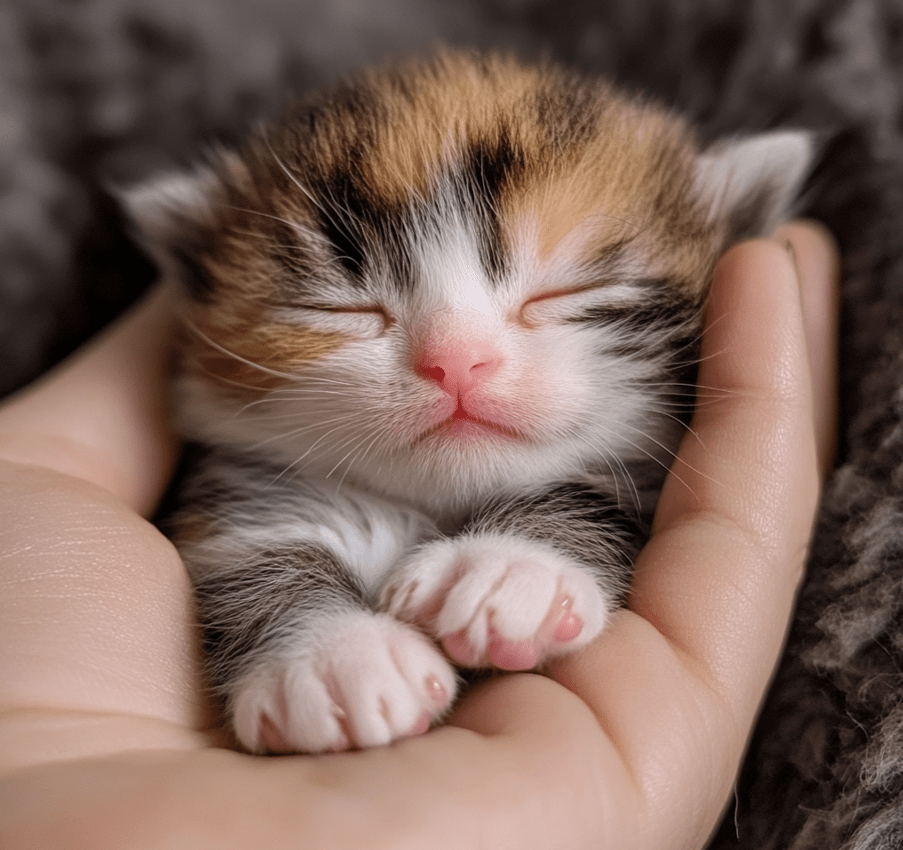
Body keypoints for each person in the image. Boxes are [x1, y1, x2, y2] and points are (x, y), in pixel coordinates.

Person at [0, 221, 838, 849]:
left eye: (559, 298)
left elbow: (611, 511)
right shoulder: (259, 474)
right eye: (345, 306)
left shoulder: (625, 476)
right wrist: (300, 634)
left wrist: (545, 551)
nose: (453, 357)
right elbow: (245, 543)